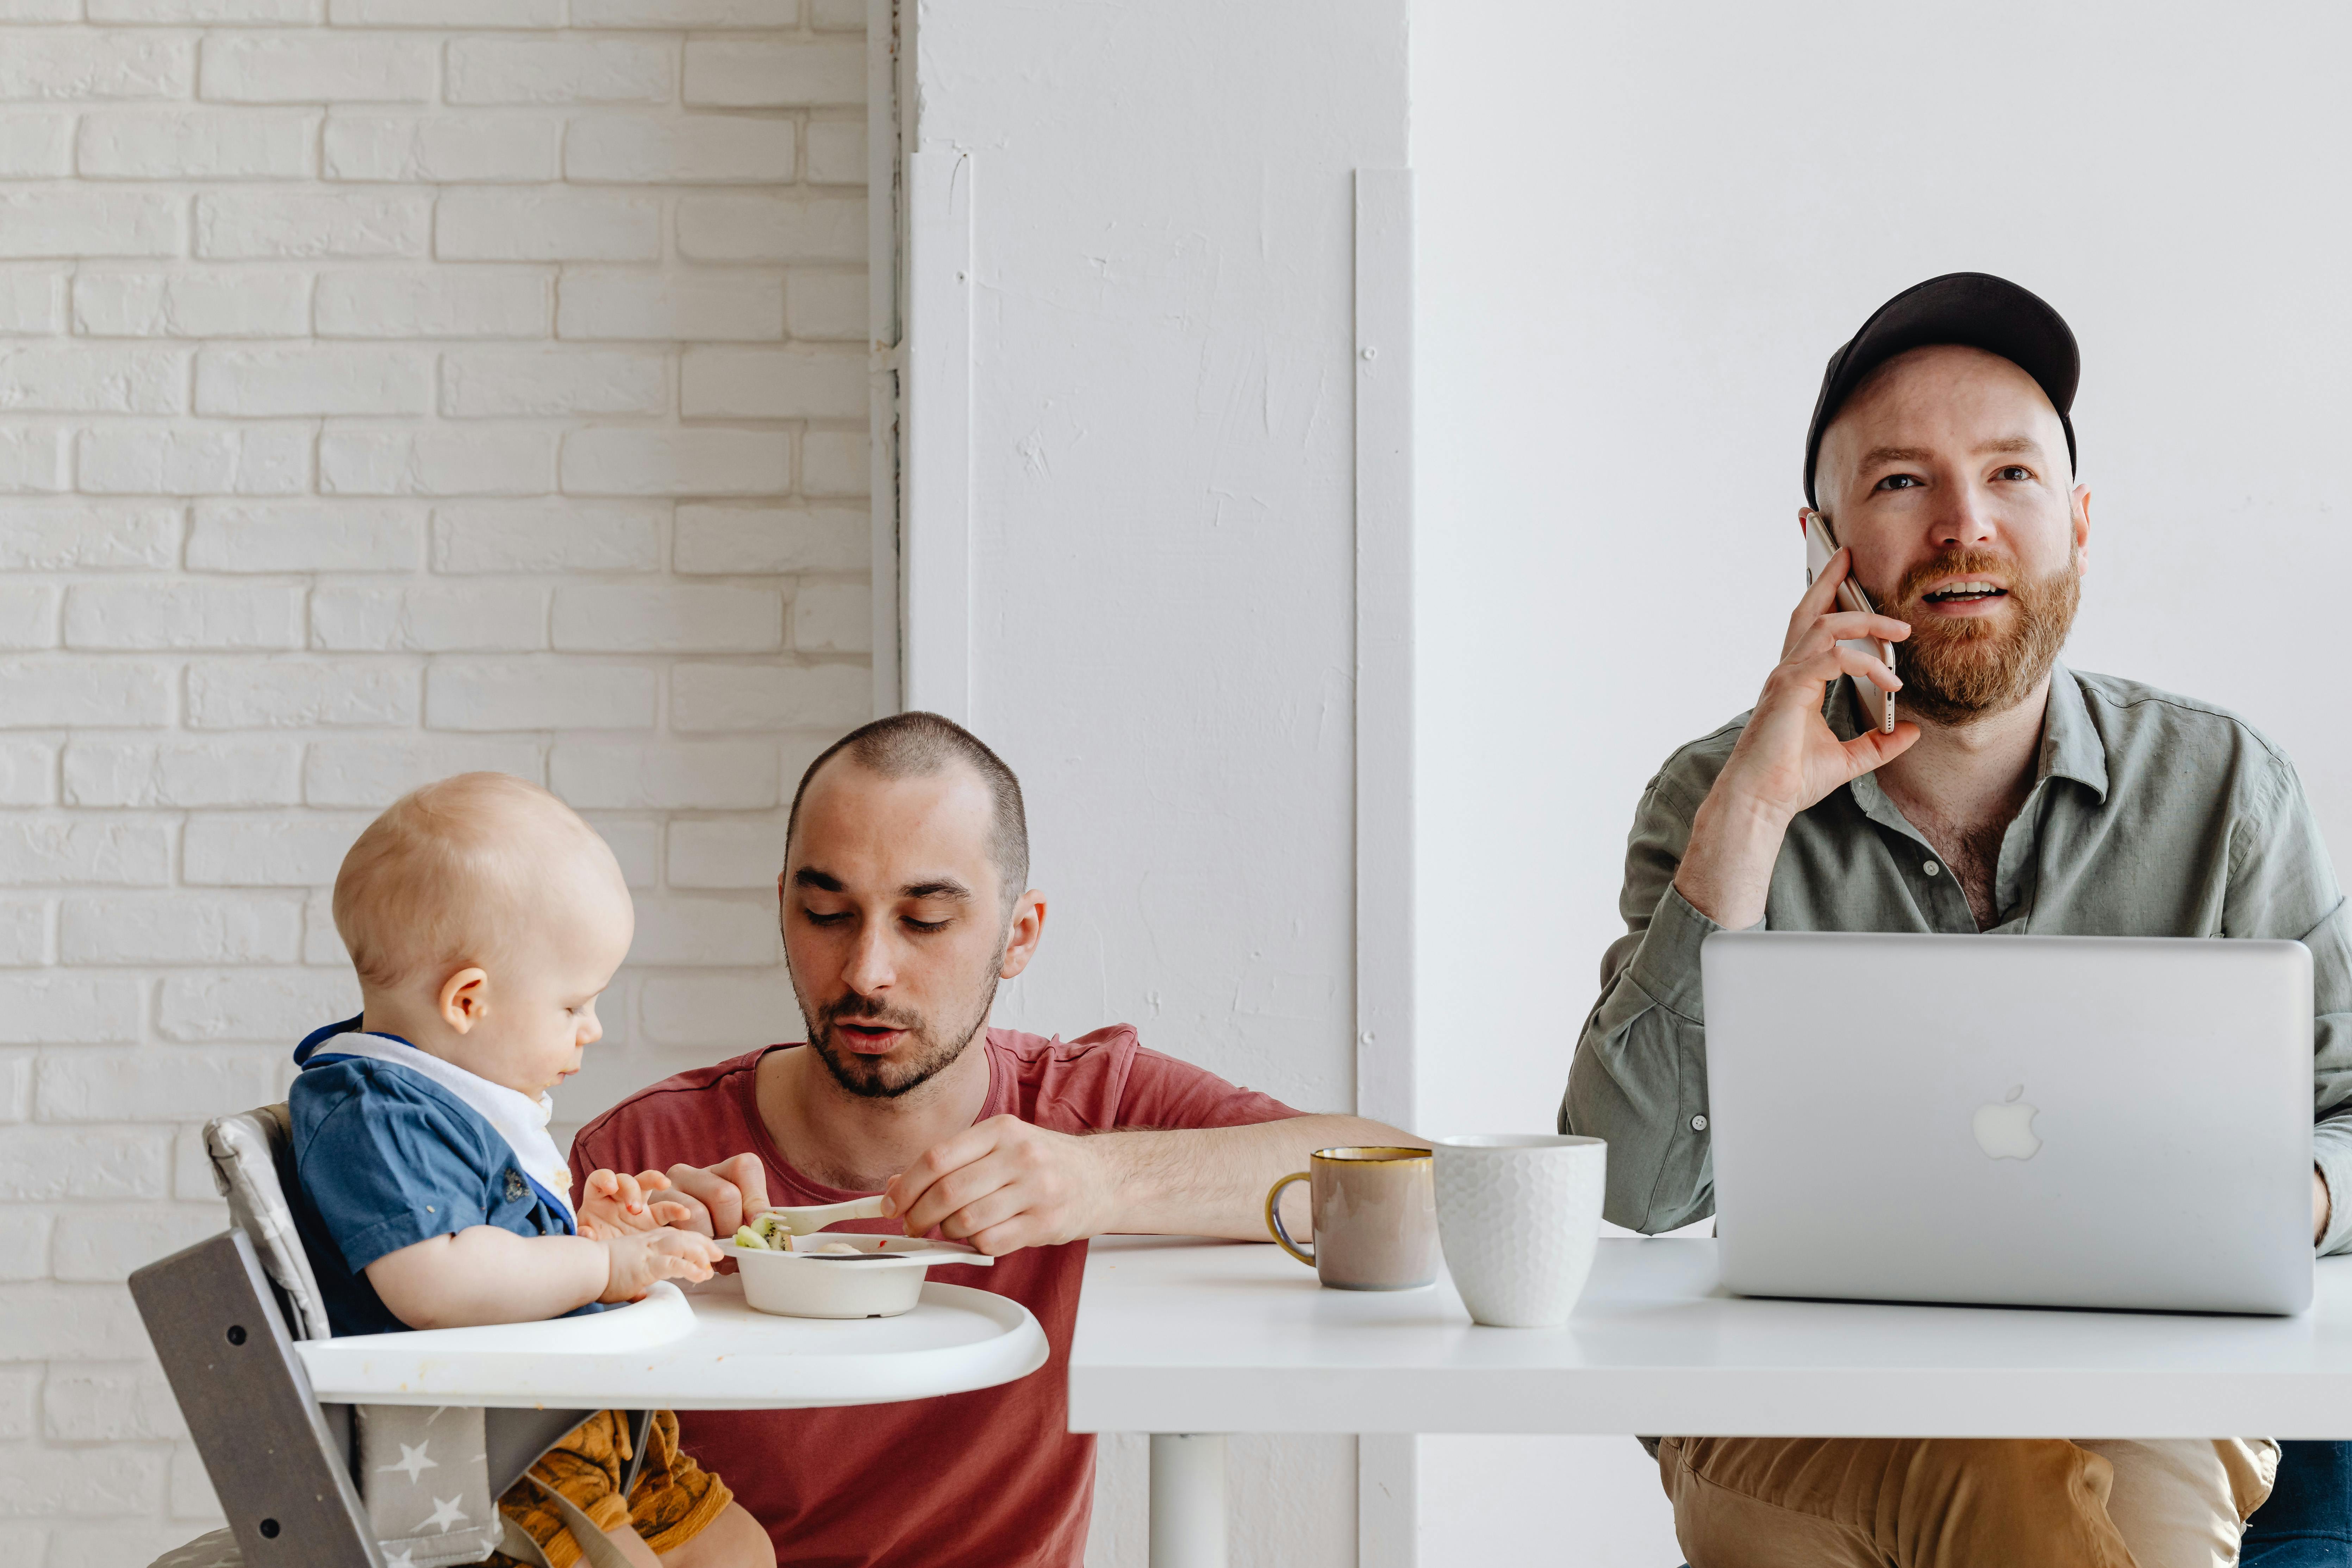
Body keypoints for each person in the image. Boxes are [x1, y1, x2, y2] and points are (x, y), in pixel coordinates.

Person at [1562, 273, 2352, 1568]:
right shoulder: (1713, 801)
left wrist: (2290, 1193)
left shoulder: (2226, 792)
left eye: (2011, 477)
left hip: (2150, 1377)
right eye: (1900, 485)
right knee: (2027, 1490)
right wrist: (1754, 813)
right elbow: (1638, 1188)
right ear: (1824, 549)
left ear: (2080, 523)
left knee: (2078, 1486)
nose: (1964, 526)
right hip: (1794, 1401)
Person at [570, 711, 1413, 1567]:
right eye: (827, 913)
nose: (867, 971)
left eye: (925, 921)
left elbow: (1413, 1181)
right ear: (782, 905)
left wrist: (1100, 1180)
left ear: (1019, 934)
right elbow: (521, 1478)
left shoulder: (1086, 1105)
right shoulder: (639, 1156)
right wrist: (610, 1283)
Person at [286, 772, 774, 1568]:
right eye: (574, 1005)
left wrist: (596, 1231)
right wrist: (601, 1264)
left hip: (578, 1424)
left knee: (739, 1549)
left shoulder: (460, 1101)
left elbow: (504, 1255)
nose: (593, 1029)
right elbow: (437, 1283)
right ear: (470, 1001)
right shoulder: (380, 1112)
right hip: (499, 1454)